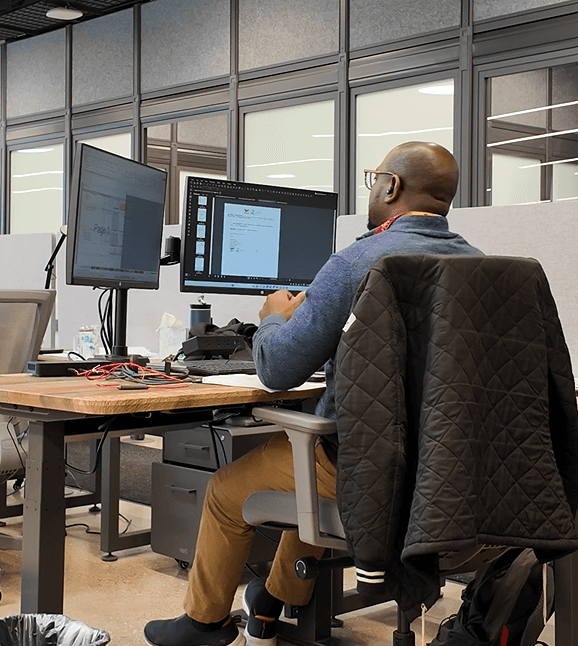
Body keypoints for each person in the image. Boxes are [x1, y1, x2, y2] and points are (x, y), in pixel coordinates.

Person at [144, 141, 483, 646]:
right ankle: (273, 600)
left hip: (364, 468)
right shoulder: (479, 266)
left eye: (375, 177)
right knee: (304, 463)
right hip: (449, 472)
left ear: (391, 186)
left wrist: (273, 319)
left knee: (228, 490)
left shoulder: (357, 261)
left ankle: (204, 624)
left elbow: (278, 369)